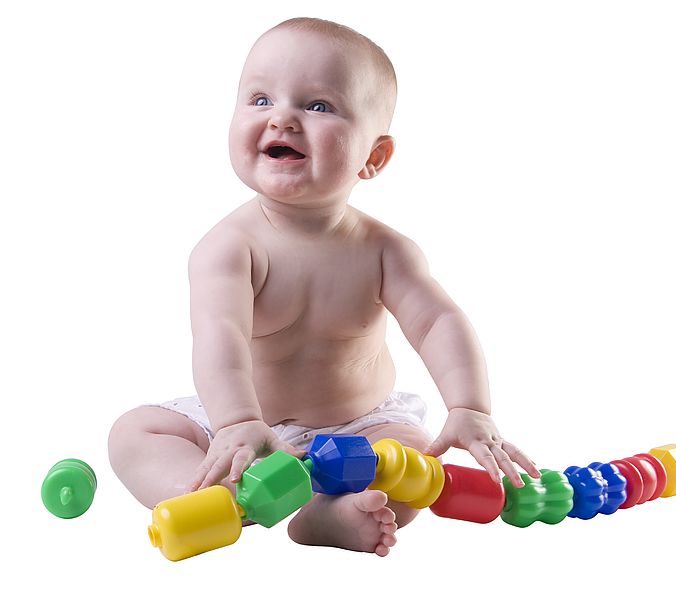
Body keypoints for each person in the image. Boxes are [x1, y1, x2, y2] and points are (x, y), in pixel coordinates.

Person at [109, 17, 539, 557]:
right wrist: (236, 422)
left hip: (363, 427)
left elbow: (438, 322)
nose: (282, 118)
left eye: (318, 106)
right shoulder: (229, 247)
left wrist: (469, 406)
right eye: (260, 99)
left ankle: (326, 515)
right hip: (246, 424)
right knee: (135, 434)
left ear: (373, 157)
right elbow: (220, 337)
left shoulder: (386, 250)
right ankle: (213, 496)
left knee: (414, 463)